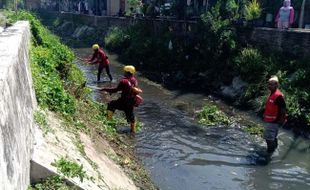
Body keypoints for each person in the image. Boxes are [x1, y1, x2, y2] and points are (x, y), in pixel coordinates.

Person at [100, 65, 142, 135]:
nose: (124, 72)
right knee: (131, 116)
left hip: (123, 101)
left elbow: (115, 90)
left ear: (127, 72)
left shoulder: (124, 81)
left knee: (111, 104)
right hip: (131, 102)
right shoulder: (134, 80)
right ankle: (133, 131)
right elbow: (130, 89)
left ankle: (109, 122)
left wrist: (105, 89)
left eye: (125, 71)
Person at [263, 76, 287, 154]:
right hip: (271, 121)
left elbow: (283, 109)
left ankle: (269, 154)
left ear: (276, 85)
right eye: (268, 84)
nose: (269, 86)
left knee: (269, 139)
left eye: (271, 84)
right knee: (273, 137)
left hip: (274, 121)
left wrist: (282, 120)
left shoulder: (278, 96)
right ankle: (274, 150)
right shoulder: (272, 93)